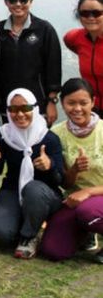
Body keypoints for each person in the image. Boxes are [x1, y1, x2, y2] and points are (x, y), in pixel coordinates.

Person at [0, 88, 64, 259]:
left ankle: (29, 236)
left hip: (44, 194)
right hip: (13, 190)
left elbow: (60, 178)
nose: (19, 114)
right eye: (13, 109)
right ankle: (25, 222)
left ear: (34, 109)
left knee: (33, 189)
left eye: (25, 108)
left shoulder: (48, 138)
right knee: (0, 234)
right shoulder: (4, 135)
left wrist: (49, 166)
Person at [40, 78, 103, 262]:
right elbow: (65, 182)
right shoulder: (57, 134)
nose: (77, 109)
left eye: (83, 103)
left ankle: (89, 224)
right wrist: (74, 169)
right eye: (71, 103)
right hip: (75, 201)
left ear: (93, 102)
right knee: (52, 250)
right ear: (62, 103)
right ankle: (85, 233)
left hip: (92, 199)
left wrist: (89, 192)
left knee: (88, 213)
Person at [0, 0, 61, 126]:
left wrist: (51, 102)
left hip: (38, 104)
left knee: (38, 145)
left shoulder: (44, 29)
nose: (18, 4)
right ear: (6, 2)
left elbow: (53, 68)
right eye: (13, 0)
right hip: (9, 106)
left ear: (31, 1)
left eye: (23, 0)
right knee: (11, 145)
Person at [63, 0, 103, 112]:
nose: (91, 18)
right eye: (85, 13)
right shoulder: (74, 38)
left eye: (96, 13)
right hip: (92, 109)